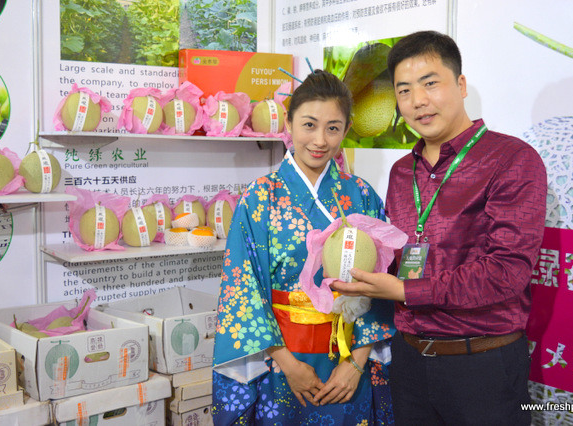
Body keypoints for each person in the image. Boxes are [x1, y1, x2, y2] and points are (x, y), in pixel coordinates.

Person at [331, 31, 548, 425]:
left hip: (482, 364)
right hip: (409, 360)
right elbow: (397, 257)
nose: (417, 100)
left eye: (430, 83)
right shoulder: (402, 172)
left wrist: (404, 290)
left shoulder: (511, 159)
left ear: (461, 85)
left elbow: (508, 271)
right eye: (404, 90)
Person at [212, 70, 395, 425]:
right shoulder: (259, 197)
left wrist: (356, 363)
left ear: (346, 129)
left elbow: (380, 285)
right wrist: (288, 364)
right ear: (289, 122)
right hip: (281, 363)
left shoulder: (361, 194)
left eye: (333, 128)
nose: (320, 140)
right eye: (309, 125)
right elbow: (242, 289)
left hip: (348, 364)